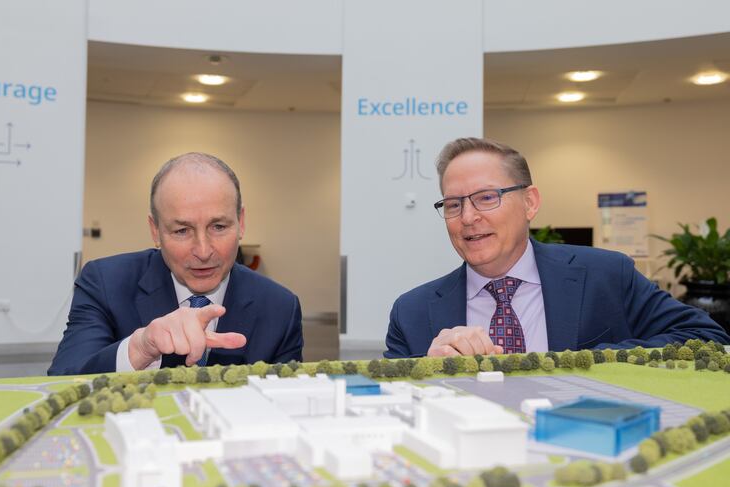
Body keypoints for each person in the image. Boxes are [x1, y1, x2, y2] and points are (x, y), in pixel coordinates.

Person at [385, 137, 730, 358]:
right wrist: (429, 376)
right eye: (453, 204)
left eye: (486, 198)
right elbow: (387, 411)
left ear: (530, 202)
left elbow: (707, 337)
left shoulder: (606, 276)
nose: (468, 217)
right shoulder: (411, 313)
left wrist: (585, 361)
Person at [49, 153, 303, 375]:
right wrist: (139, 348)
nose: (203, 251)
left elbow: (287, 407)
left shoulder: (280, 308)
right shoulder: (105, 283)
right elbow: (62, 380)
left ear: (241, 222)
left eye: (219, 227)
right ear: (155, 230)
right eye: (182, 230)